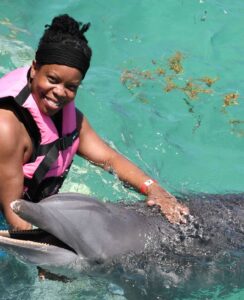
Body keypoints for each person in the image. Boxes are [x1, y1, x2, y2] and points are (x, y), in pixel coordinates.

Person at [0, 14, 189, 230]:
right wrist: (45, 261)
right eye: (52, 80)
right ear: (34, 69)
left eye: (71, 87)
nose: (59, 92)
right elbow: (13, 212)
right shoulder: (6, 126)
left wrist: (154, 189)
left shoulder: (69, 117)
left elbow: (110, 159)